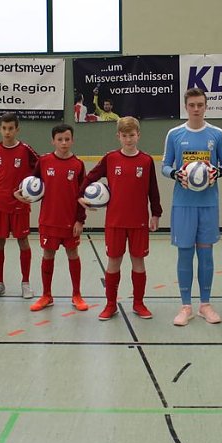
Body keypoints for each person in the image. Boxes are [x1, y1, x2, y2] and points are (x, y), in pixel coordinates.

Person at [80, 116, 162, 321]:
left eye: (132, 135)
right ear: (118, 136)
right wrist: (80, 195)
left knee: (138, 262)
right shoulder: (110, 158)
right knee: (113, 262)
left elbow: (153, 190)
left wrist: (156, 213)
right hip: (115, 221)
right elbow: (90, 177)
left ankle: (139, 303)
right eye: (124, 136)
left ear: (138, 135)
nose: (128, 139)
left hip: (139, 221)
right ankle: (110, 305)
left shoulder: (146, 160)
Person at [162, 87, 222, 326]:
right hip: (183, 204)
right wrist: (176, 174)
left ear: (206, 106)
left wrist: (217, 172)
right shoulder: (174, 134)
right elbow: (165, 166)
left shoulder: (217, 134)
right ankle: (185, 307)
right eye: (192, 105)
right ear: (186, 106)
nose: (196, 109)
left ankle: (205, 305)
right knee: (184, 253)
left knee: (205, 253)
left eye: (200, 105)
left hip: (208, 203)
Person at [19, 124, 87, 311]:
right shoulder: (44, 161)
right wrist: (21, 194)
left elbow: (82, 196)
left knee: (73, 254)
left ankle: (77, 294)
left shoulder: (78, 165)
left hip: (70, 221)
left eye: (67, 139)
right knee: (48, 254)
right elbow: (32, 185)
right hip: (48, 220)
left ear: (72, 140)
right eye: (60, 139)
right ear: (53, 141)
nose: (64, 143)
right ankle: (46, 295)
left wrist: (80, 220)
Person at [0, 113, 40, 299]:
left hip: (20, 205)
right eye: (4, 128)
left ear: (17, 129)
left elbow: (41, 167)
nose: (7, 132)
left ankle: (25, 283)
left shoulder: (25, 149)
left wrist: (34, 191)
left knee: (23, 241)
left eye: (11, 128)